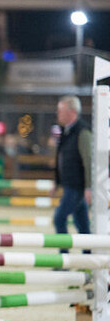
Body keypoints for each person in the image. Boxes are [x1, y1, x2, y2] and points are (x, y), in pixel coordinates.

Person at [51, 95, 91, 251]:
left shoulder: (83, 132)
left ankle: (64, 258)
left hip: (77, 186)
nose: (57, 113)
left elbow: (88, 161)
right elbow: (60, 159)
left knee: (59, 218)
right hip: (69, 184)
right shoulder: (65, 131)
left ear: (71, 111)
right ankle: (89, 260)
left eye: (60, 110)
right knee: (82, 225)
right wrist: (56, 182)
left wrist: (88, 187)